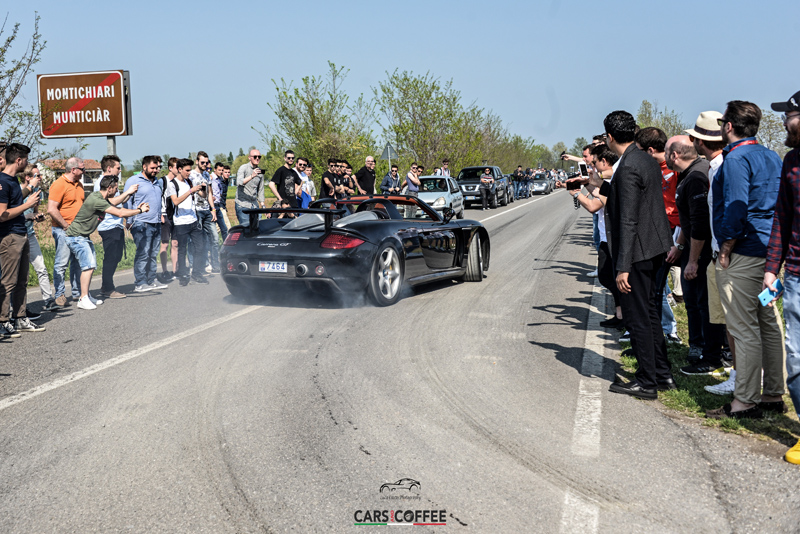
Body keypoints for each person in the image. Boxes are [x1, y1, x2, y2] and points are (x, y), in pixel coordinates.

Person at [707, 101, 785, 420]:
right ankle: (773, 393)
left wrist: (726, 247)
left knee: (743, 327)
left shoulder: (736, 158)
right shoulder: (771, 155)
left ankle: (745, 400)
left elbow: (737, 208)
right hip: (768, 248)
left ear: (728, 126)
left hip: (743, 248)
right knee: (768, 321)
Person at [595, 110, 675, 400]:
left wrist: (623, 265)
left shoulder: (628, 166)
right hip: (656, 246)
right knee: (650, 312)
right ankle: (662, 373)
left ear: (610, 137)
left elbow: (628, 219)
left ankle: (646, 381)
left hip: (638, 251)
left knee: (637, 316)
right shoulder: (644, 158)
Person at [686, 111, 738, 394]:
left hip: (727, 255)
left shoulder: (722, 168)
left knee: (734, 320)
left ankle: (740, 375)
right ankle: (735, 372)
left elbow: (732, 213)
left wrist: (725, 250)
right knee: (723, 318)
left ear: (700, 141)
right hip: (720, 253)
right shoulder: (714, 166)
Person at [664, 136, 725, 375]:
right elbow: (686, 220)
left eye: (667, 151)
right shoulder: (687, 174)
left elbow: (700, 224)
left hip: (701, 251)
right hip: (690, 247)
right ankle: (699, 346)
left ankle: (711, 353)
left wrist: (692, 260)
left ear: (674, 155)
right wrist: (679, 246)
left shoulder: (697, 176)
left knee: (703, 304)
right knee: (693, 302)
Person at [764, 90, 800, 463]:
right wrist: (772, 269)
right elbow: (782, 220)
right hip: (796, 276)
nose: (783, 122)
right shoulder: (791, 161)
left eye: (788, 115)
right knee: (798, 357)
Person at [67, 175, 145, 310]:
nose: (116, 191)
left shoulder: (99, 197)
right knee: (88, 267)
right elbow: (120, 213)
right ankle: (83, 298)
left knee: (90, 266)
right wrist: (139, 211)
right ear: (109, 188)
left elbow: (114, 202)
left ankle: (86, 295)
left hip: (82, 236)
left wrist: (129, 194)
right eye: (115, 188)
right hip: (76, 237)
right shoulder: (98, 200)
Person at [635, 128, 682, 345]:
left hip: (673, 232)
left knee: (658, 287)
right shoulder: (651, 168)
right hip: (657, 231)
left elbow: (680, 206)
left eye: (640, 151)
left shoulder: (674, 169)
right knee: (656, 288)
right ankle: (660, 335)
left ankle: (668, 331)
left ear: (651, 150)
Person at [569, 144, 623, 327]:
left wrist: (577, 194)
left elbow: (595, 205)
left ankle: (625, 318)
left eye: (594, 161)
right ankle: (620, 315)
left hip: (613, 237)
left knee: (614, 279)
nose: (591, 165)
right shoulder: (604, 179)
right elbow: (598, 194)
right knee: (607, 277)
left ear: (604, 161)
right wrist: (585, 185)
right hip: (605, 235)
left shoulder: (613, 178)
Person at [0, 143, 44, 336]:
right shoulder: (3, 182)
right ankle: (2, 321)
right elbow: (2, 214)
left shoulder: (13, 181)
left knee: (22, 280)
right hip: (10, 237)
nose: (26, 163)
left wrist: (30, 214)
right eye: (25, 160)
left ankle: (20, 318)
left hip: (21, 232)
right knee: (9, 281)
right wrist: (28, 205)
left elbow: (14, 208)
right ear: (18, 160)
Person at [125, 155, 168, 292]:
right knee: (143, 253)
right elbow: (127, 201)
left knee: (153, 253)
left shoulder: (157, 182)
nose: (156, 170)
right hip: (141, 223)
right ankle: (140, 282)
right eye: (153, 168)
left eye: (157, 168)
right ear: (144, 167)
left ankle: (152, 279)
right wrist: (130, 221)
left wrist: (159, 215)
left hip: (155, 222)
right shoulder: (133, 181)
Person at [47, 156, 85, 307]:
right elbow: (51, 209)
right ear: (73, 169)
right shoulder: (59, 184)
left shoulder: (79, 184)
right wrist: (65, 226)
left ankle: (76, 292)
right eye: (82, 168)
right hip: (63, 229)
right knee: (61, 263)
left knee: (77, 262)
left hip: (77, 229)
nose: (84, 171)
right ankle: (60, 295)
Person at [93, 155, 128, 299]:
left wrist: (128, 196)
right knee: (110, 257)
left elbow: (118, 202)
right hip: (108, 226)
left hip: (116, 225)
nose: (120, 170)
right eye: (117, 168)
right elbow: (110, 202)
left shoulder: (112, 182)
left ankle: (105, 285)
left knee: (116, 256)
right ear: (109, 168)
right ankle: (108, 288)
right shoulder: (101, 184)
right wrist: (128, 192)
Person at [21, 166, 55, 311]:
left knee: (41, 268)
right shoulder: (17, 191)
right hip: (15, 235)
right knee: (20, 275)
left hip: (30, 234)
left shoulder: (37, 192)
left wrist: (37, 217)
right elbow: (9, 213)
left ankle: (48, 300)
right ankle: (17, 307)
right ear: (28, 177)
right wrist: (28, 216)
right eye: (38, 175)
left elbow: (34, 213)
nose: (40, 178)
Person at [169, 159, 207, 286]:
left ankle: (196, 273)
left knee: (200, 247)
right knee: (182, 250)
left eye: (190, 170)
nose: (189, 173)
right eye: (187, 170)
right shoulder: (172, 184)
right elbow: (175, 201)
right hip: (181, 222)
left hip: (193, 220)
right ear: (179, 169)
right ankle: (183, 274)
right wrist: (191, 191)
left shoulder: (189, 181)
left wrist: (203, 189)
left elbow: (203, 196)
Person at [189, 151, 220, 274]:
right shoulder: (191, 175)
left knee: (215, 238)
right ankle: (195, 265)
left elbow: (210, 193)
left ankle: (215, 264)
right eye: (202, 162)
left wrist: (213, 210)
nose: (204, 164)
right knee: (196, 240)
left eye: (206, 162)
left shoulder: (207, 175)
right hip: (195, 210)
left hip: (206, 210)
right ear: (197, 161)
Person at [158, 157, 179, 282]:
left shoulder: (178, 182)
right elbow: (157, 197)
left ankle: (175, 270)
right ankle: (165, 271)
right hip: (164, 215)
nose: (179, 170)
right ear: (170, 168)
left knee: (175, 243)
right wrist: (160, 214)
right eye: (177, 167)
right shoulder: (163, 181)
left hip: (175, 216)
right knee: (164, 244)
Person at [235, 149, 266, 225]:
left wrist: (263, 205)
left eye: (259, 157)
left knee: (257, 228)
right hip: (243, 204)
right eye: (255, 157)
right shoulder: (244, 168)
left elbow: (261, 190)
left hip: (254, 205)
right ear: (249, 157)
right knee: (246, 229)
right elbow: (239, 182)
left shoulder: (260, 172)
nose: (257, 158)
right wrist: (252, 176)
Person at [211, 161, 228, 241]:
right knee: (213, 231)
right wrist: (210, 196)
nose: (221, 172)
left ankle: (226, 248)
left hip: (218, 205)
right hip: (212, 206)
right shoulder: (211, 178)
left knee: (224, 229)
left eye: (222, 170)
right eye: (219, 170)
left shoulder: (219, 179)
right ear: (215, 169)